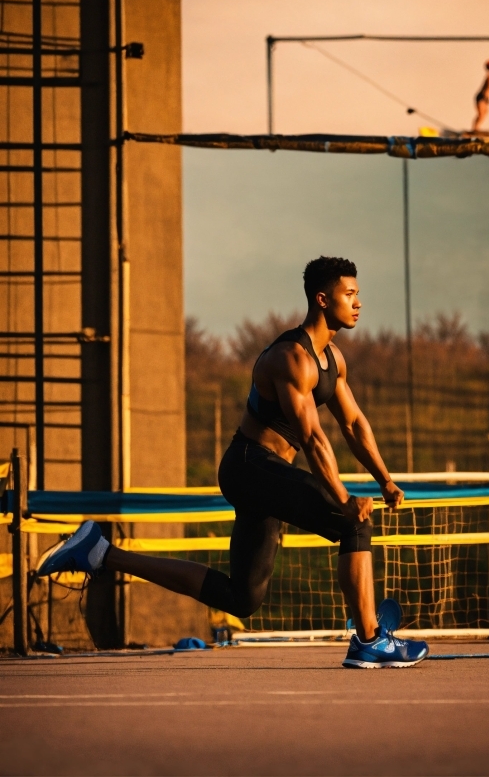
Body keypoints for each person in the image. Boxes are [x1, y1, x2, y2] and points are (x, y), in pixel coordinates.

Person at [38, 256, 428, 668]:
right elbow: (313, 438)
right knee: (354, 521)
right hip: (249, 465)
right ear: (322, 299)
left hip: (266, 475)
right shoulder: (291, 358)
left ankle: (99, 552)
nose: (358, 302)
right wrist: (344, 497)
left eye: (358, 294)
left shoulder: (333, 359)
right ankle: (369, 640)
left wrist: (384, 479)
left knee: (240, 599)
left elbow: (352, 424)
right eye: (349, 294)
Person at [471, 59, 489, 133]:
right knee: (481, 114)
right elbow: (487, 90)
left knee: (484, 113)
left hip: (483, 97)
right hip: (482, 97)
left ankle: (476, 128)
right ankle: (475, 128)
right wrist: (487, 98)